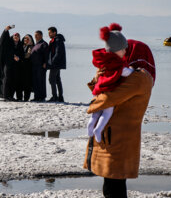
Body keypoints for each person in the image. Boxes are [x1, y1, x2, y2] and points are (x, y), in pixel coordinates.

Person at [83, 23, 154, 198]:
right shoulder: (127, 76)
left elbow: (106, 99)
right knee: (112, 184)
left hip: (118, 140)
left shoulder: (138, 78)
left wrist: (92, 106)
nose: (124, 55)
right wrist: (100, 75)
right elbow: (100, 90)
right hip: (113, 137)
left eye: (127, 51)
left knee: (114, 187)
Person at [87, 23, 134, 143]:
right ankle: (98, 130)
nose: (125, 51)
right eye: (122, 49)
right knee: (107, 111)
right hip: (108, 92)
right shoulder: (116, 62)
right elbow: (125, 72)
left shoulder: (104, 59)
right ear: (115, 50)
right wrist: (134, 70)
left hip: (98, 91)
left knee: (96, 111)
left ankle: (90, 126)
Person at [0, 26, 23, 101]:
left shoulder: (20, 46)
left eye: (18, 36)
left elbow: (22, 55)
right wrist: (6, 30)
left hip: (16, 67)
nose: (16, 37)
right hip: (8, 65)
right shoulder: (9, 44)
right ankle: (6, 96)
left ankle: (11, 96)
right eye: (15, 35)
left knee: (14, 81)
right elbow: (2, 40)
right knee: (7, 80)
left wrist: (18, 58)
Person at [47, 26, 66, 102]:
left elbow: (58, 53)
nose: (49, 34)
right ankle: (60, 97)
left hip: (56, 64)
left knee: (51, 79)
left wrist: (52, 62)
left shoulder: (57, 40)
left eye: (50, 33)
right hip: (57, 64)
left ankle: (54, 97)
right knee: (57, 79)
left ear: (54, 32)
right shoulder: (56, 40)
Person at [30, 30, 48, 102]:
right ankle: (36, 96)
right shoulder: (36, 44)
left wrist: (45, 63)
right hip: (34, 66)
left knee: (41, 81)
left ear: (41, 35)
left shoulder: (44, 44)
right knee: (35, 82)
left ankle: (42, 97)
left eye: (37, 35)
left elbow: (46, 55)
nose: (35, 36)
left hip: (41, 66)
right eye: (35, 35)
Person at [19, 34, 35, 101]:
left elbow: (28, 55)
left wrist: (19, 56)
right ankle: (20, 98)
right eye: (25, 38)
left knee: (27, 83)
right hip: (21, 67)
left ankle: (26, 98)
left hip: (28, 67)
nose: (26, 40)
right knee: (20, 82)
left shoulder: (31, 47)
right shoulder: (22, 46)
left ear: (30, 40)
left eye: (27, 39)